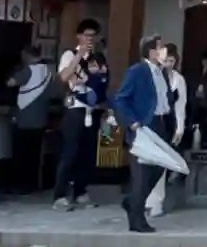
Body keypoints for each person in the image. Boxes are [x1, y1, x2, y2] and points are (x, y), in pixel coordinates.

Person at [111, 34, 172, 234]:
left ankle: (132, 201)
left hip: (161, 123)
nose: (164, 51)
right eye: (161, 48)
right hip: (144, 125)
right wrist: (132, 121)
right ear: (151, 51)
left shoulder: (161, 72)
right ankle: (136, 219)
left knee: (160, 167)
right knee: (142, 173)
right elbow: (120, 98)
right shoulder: (137, 71)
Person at [52, 18, 103, 210]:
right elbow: (64, 77)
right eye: (86, 35)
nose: (89, 39)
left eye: (93, 36)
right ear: (78, 36)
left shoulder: (97, 58)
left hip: (92, 107)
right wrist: (79, 55)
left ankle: (81, 191)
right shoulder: (69, 55)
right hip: (75, 107)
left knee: (88, 153)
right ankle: (60, 194)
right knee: (70, 152)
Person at [146, 42, 188, 219]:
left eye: (172, 61)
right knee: (147, 162)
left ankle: (156, 201)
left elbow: (181, 105)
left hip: (168, 124)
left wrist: (180, 127)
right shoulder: (152, 76)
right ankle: (145, 199)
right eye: (166, 60)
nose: (168, 64)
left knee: (161, 163)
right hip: (150, 122)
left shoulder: (178, 80)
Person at [8, 46, 54, 195]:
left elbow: (11, 82)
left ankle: (21, 185)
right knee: (34, 154)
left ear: (26, 56)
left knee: (22, 154)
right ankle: (33, 184)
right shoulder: (48, 71)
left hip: (25, 119)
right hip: (41, 118)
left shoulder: (28, 70)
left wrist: (14, 72)